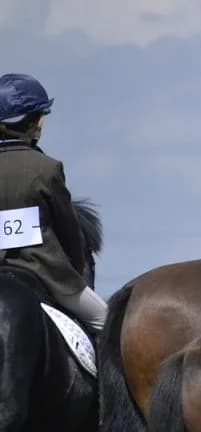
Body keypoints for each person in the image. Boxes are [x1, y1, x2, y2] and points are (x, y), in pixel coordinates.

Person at [0, 73, 107, 333]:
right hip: (45, 271)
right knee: (106, 322)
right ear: (33, 123)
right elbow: (69, 232)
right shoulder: (46, 168)